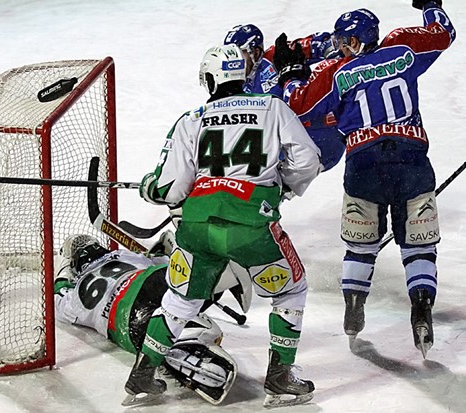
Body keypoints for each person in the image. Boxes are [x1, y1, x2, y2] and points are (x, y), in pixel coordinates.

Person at [125, 43, 321, 408]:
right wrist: (284, 185)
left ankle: (142, 376)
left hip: (197, 226)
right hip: (249, 225)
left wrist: (150, 187)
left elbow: (171, 187)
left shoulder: (192, 118)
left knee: (180, 301)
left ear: (210, 79)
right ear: (243, 75)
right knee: (291, 291)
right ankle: (279, 379)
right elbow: (307, 160)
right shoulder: (273, 108)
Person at [272, 1, 455, 357]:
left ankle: (354, 308)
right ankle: (421, 310)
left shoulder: (335, 71)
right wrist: (432, 5)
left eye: (345, 40)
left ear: (356, 40)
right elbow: (444, 33)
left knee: (361, 246)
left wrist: (290, 73)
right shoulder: (403, 46)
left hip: (363, 163)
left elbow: (294, 103)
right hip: (412, 161)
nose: (341, 46)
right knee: (419, 247)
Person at [53, 233, 238, 405]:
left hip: (126, 320)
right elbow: (169, 257)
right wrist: (163, 247)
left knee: (148, 335)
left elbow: (57, 295)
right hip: (154, 281)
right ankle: (224, 283)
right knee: (196, 281)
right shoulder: (125, 254)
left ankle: (176, 349)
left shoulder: (76, 297)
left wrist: (63, 270)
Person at [224, 24, 346, 171]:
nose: (233, 61)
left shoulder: (276, 55)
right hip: (289, 145)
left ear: (255, 52)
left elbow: (325, 44)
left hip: (322, 137)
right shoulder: (235, 83)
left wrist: (332, 48)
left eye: (238, 54)